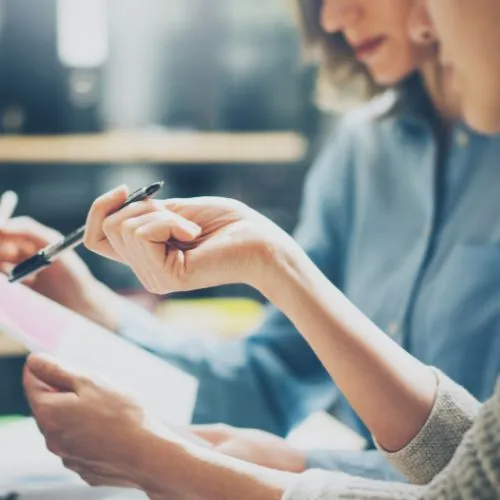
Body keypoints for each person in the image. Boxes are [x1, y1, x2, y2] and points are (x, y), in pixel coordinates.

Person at [4, 0, 500, 480]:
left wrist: (296, 469)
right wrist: (94, 308)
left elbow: (479, 477)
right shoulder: (361, 151)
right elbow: (267, 387)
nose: (330, 17)